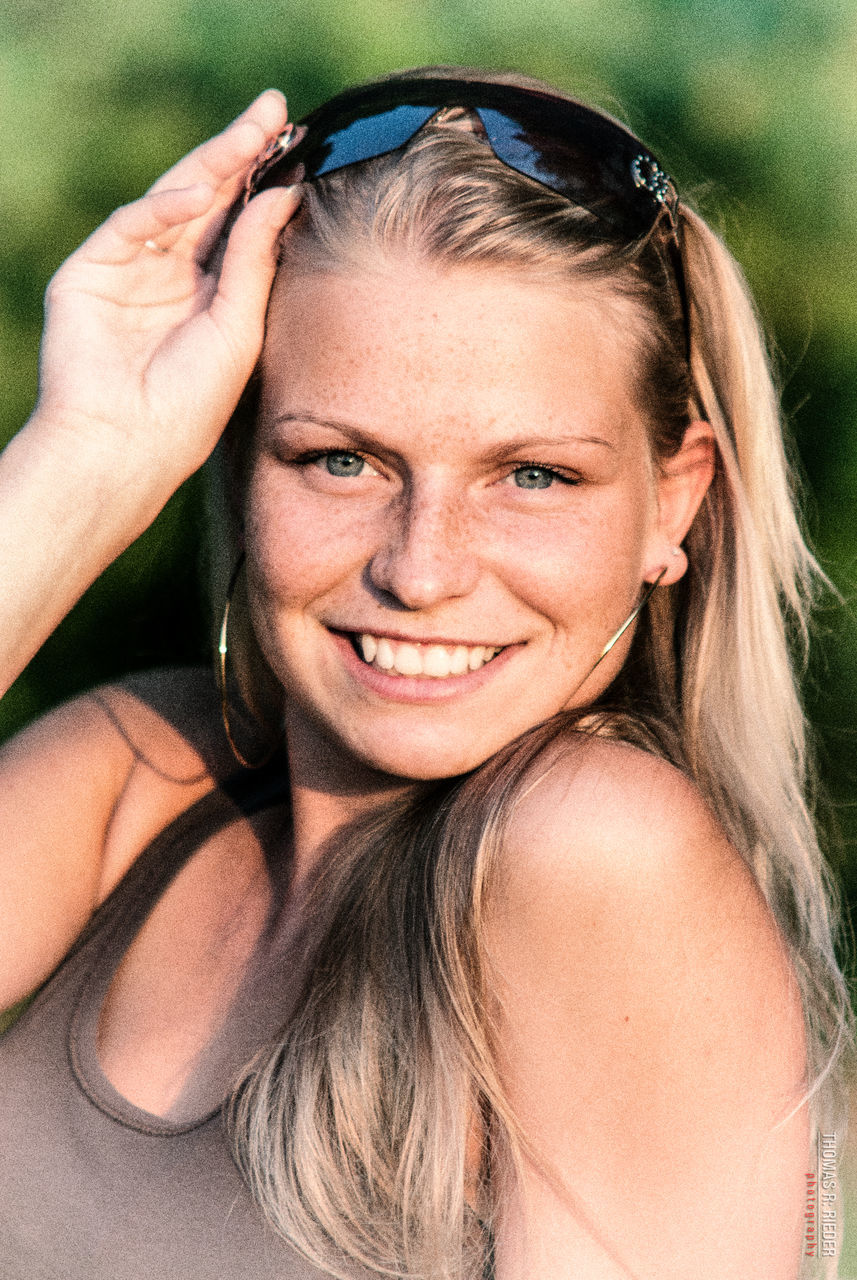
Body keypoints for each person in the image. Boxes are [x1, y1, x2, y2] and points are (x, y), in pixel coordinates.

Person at [0, 66, 851, 1280]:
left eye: (532, 476)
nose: (421, 568)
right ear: (237, 460)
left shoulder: (591, 848)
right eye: (340, 460)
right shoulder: (141, 779)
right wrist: (85, 455)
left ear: (674, 498)